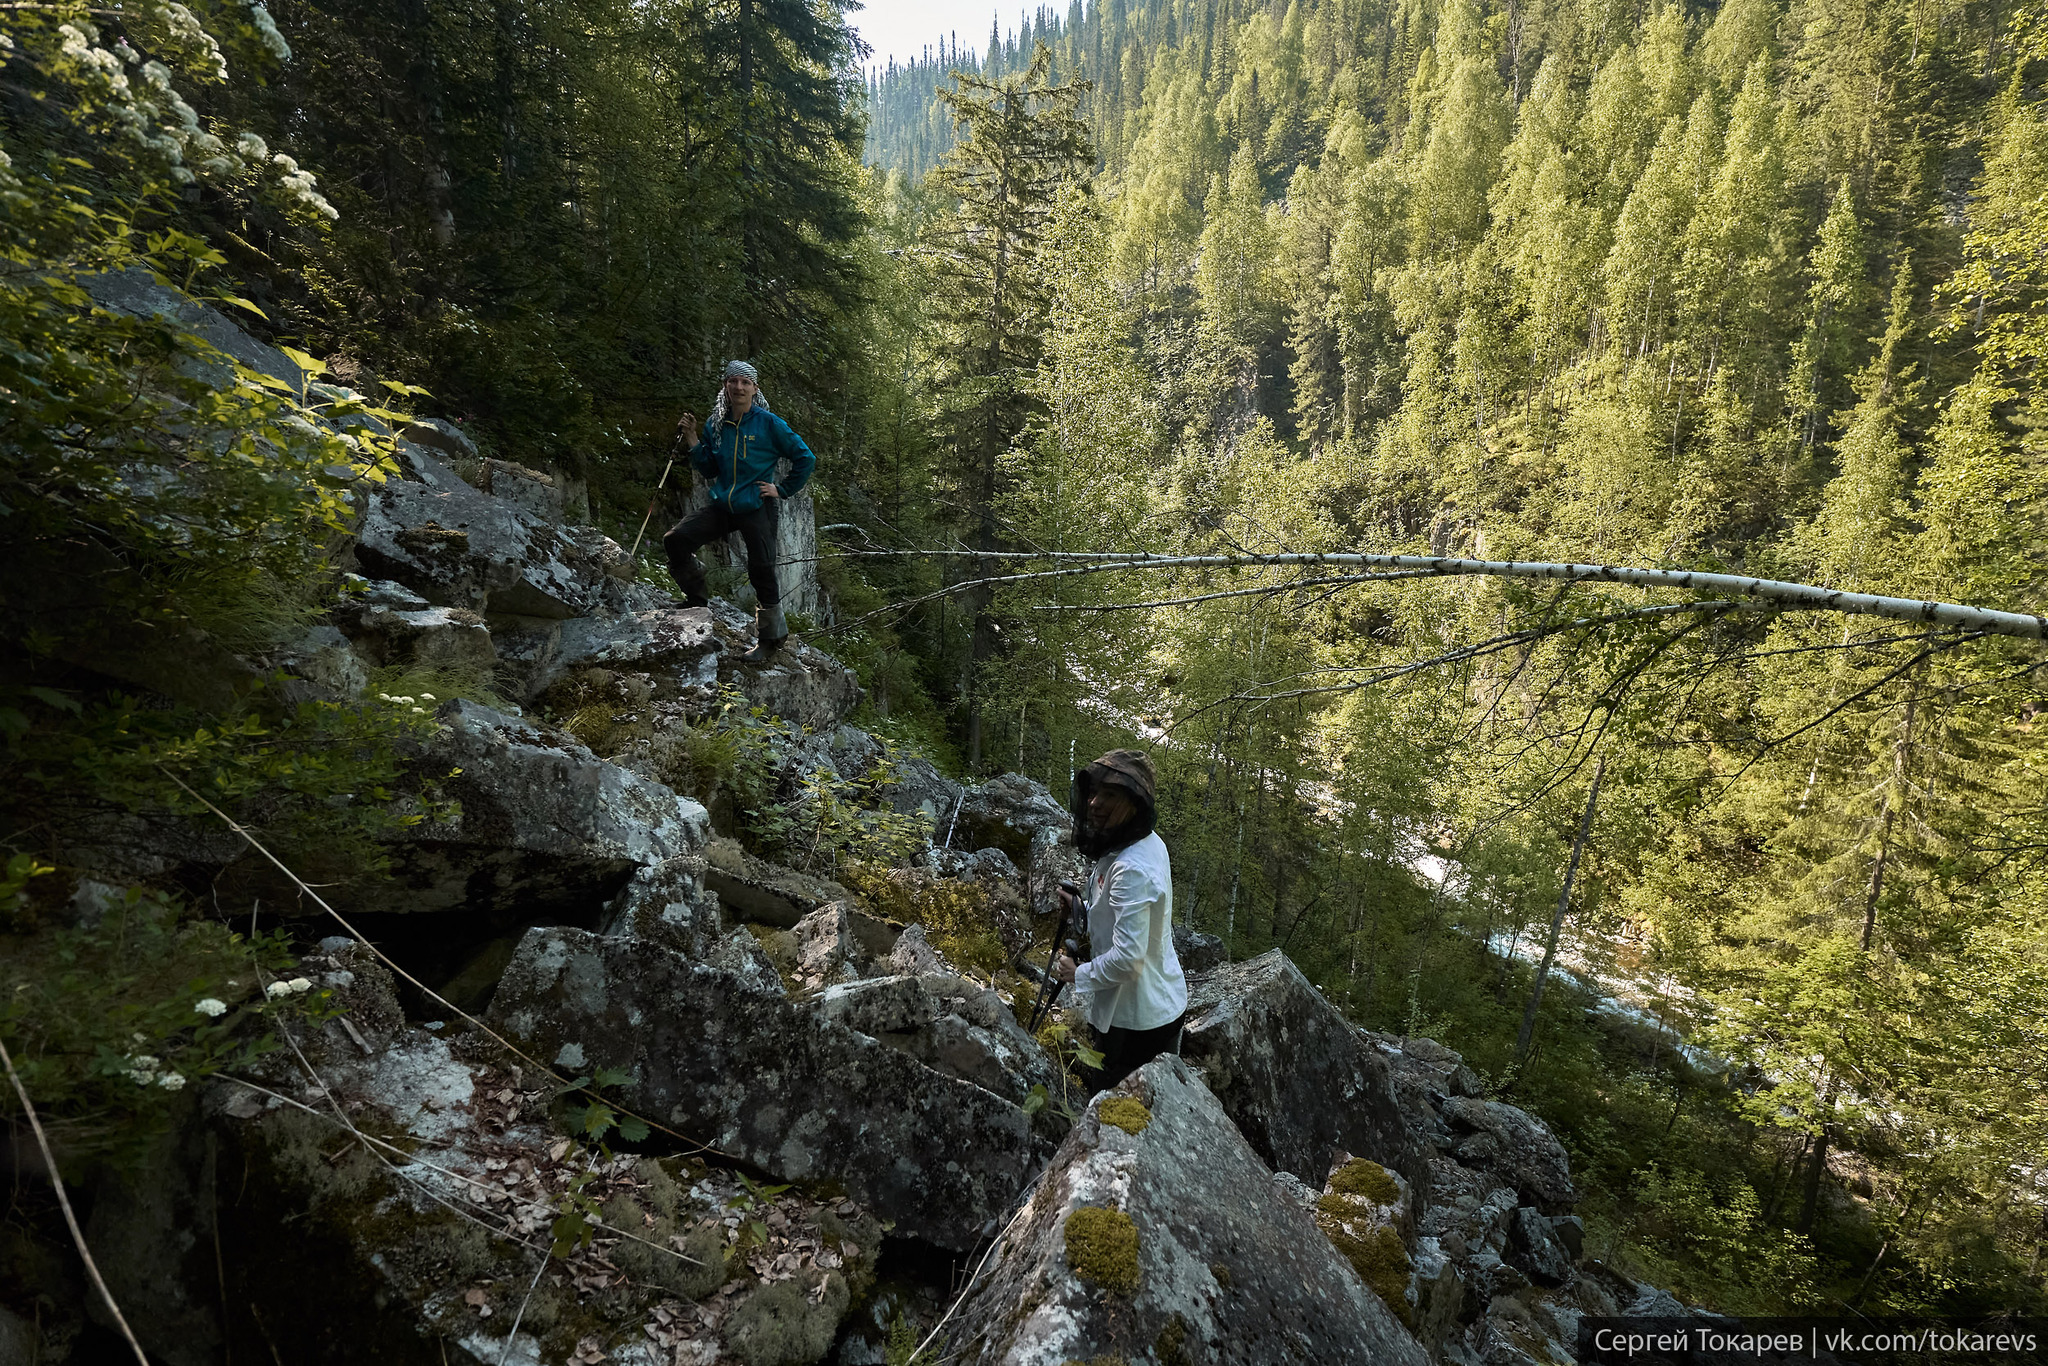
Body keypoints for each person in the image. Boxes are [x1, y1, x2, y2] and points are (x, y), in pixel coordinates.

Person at [664, 360, 816, 665]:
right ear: (725, 386)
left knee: (761, 569)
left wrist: (781, 489)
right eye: (733, 381)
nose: (739, 387)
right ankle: (696, 601)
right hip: (724, 504)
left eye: (746, 382)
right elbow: (708, 467)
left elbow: (805, 457)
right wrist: (694, 438)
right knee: (676, 539)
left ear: (755, 389)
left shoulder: (769, 423)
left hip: (757, 505)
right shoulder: (716, 424)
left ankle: (770, 639)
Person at [1053, 749, 1188, 1091]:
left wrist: (1077, 974)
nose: (1095, 803)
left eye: (1109, 795)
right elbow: (1118, 916)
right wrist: (1081, 907)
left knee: (1120, 1113)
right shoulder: (1139, 843)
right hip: (1146, 1008)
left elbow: (1128, 960)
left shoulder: (1132, 866)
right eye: (1095, 793)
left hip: (1138, 1023)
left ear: (1133, 803)